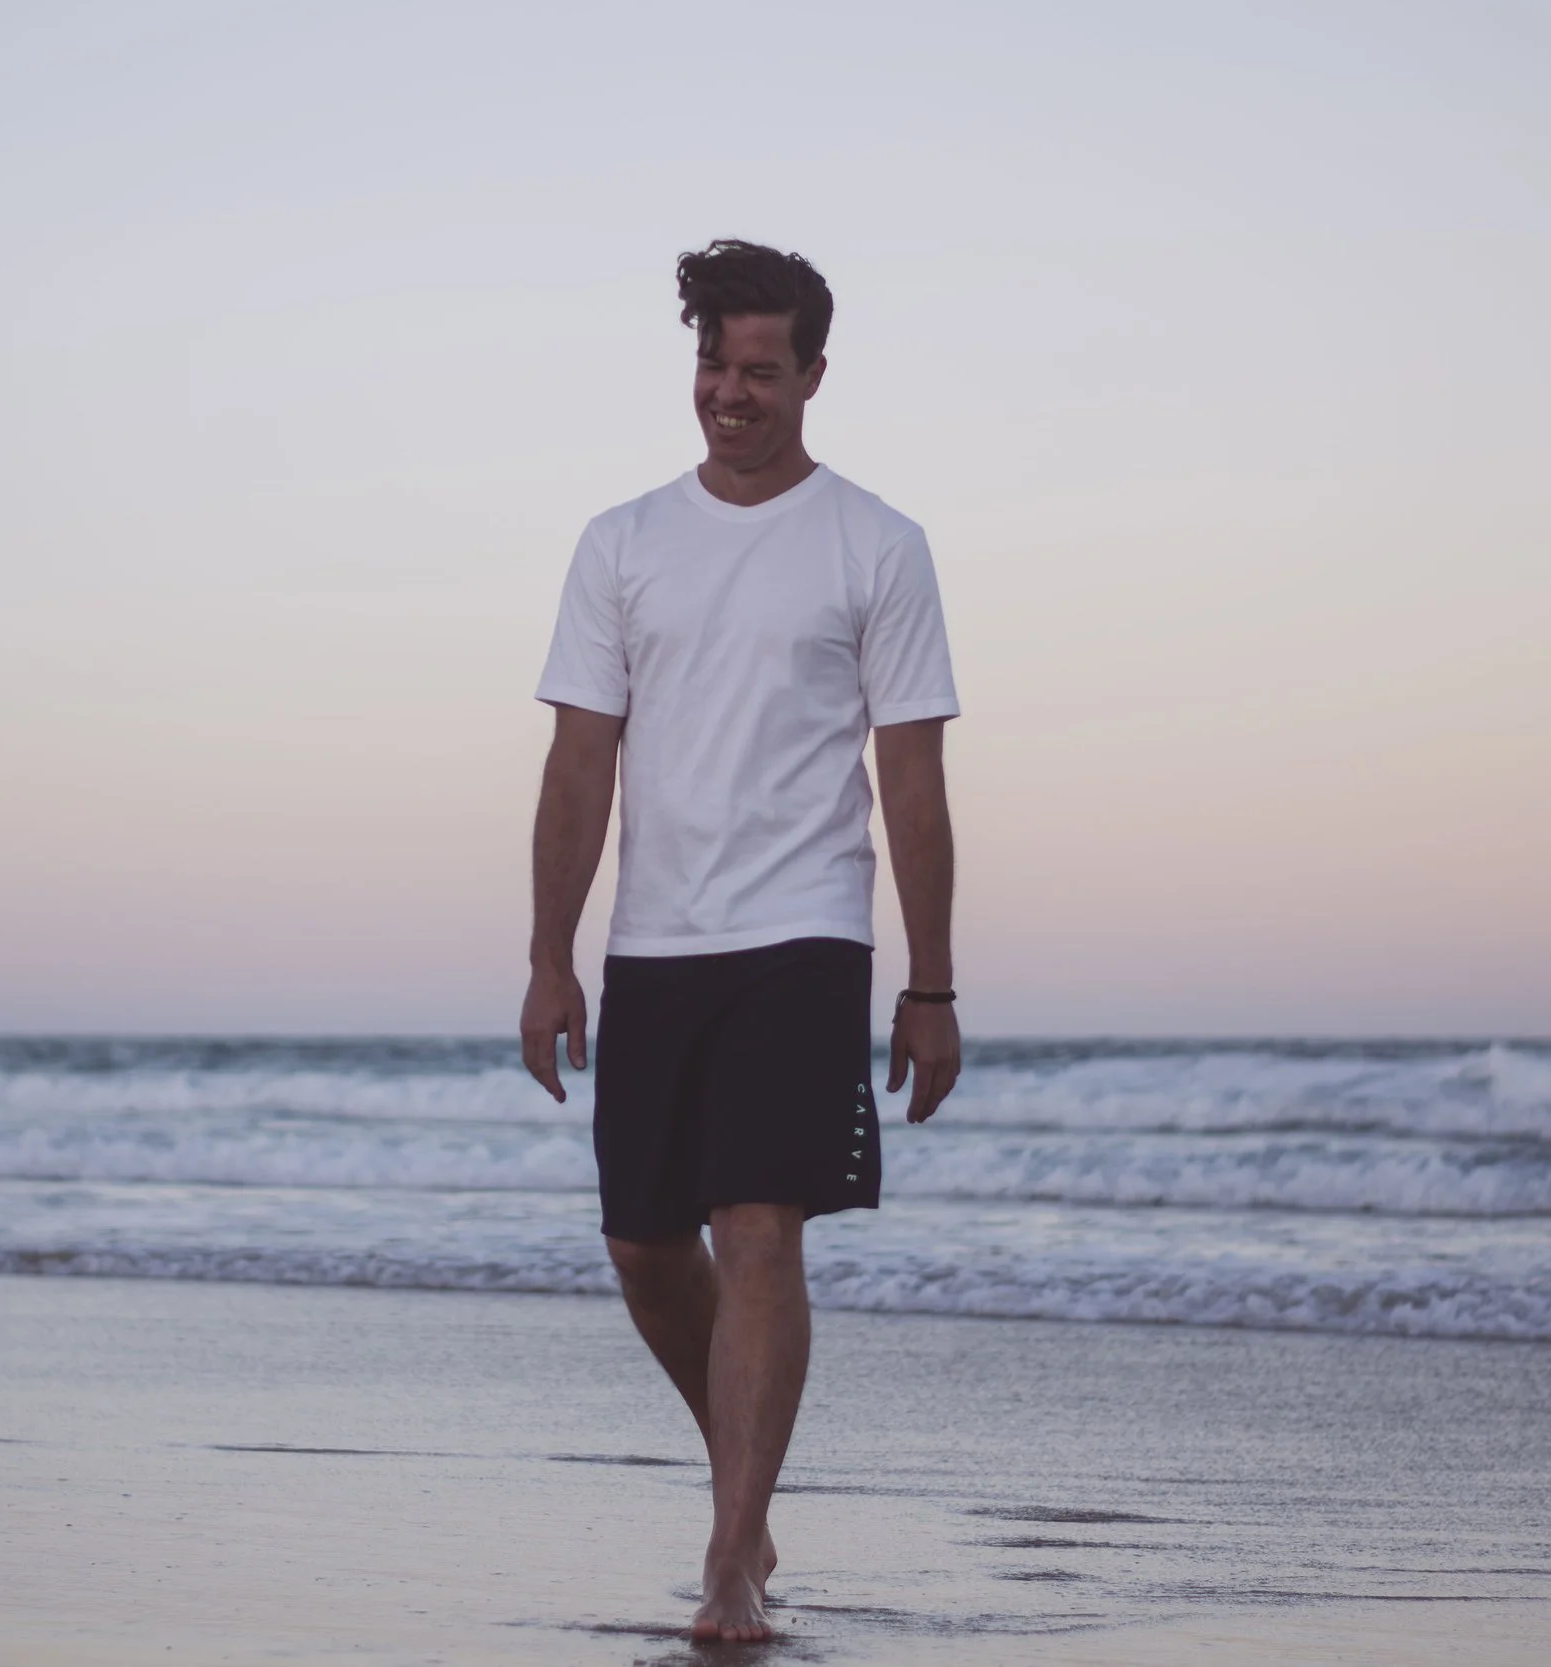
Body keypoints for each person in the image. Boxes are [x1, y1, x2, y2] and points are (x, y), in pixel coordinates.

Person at [520, 239, 963, 1644]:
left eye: (761, 369)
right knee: (644, 1245)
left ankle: (730, 1559)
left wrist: (932, 983)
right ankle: (747, 1487)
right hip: (657, 941)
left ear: (814, 375)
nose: (731, 392)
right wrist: (548, 955)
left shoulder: (876, 544)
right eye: (714, 364)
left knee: (759, 1228)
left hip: (806, 931)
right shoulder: (622, 543)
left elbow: (912, 781)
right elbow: (579, 765)